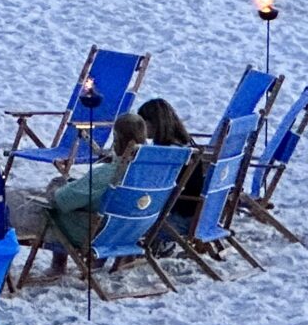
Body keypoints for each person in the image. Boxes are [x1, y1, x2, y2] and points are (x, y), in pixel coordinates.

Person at [12, 111, 148, 280]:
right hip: (129, 231)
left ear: (117, 139)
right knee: (72, 190)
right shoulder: (149, 176)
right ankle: (60, 266)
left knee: (39, 199)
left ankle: (55, 267)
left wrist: (57, 187)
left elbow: (62, 201)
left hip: (90, 233)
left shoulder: (108, 174)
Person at [133, 96, 204, 228]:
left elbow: (149, 186)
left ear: (154, 123)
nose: (140, 128)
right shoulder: (185, 146)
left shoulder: (167, 155)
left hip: (176, 218)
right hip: (195, 214)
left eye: (142, 123)